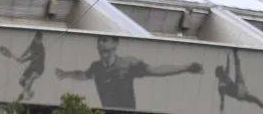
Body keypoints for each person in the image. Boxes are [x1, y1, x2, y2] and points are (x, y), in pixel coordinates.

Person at [55, 35, 202, 110]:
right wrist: (65, 74)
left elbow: (155, 70)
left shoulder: (128, 63)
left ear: (115, 45)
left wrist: (186, 67)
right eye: (100, 48)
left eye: (106, 47)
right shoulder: (96, 66)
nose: (102, 52)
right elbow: (83, 75)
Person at [214, 49, 263, 113]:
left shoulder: (225, 74)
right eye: (222, 71)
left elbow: (228, 65)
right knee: (256, 100)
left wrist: (228, 56)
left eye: (223, 71)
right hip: (239, 93)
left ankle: (235, 52)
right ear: (220, 74)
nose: (224, 72)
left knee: (237, 67)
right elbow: (222, 100)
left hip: (239, 86)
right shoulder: (221, 86)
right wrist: (221, 110)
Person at [0, 31, 45, 101]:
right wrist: (21, 56)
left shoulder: (41, 49)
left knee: (31, 78)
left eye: (38, 39)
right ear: (35, 37)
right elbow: (28, 50)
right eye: (35, 38)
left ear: (40, 39)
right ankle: (30, 92)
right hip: (32, 65)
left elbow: (32, 57)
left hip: (39, 68)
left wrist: (23, 59)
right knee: (21, 81)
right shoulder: (33, 42)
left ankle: (22, 95)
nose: (36, 40)